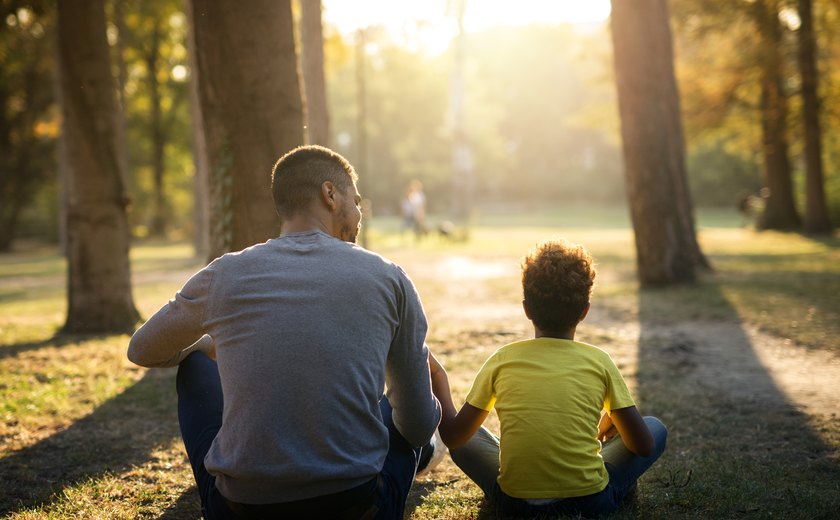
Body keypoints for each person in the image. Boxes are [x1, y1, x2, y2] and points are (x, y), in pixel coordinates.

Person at [128, 145, 442, 519]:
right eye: (356, 201)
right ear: (330, 194)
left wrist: (211, 343)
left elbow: (142, 350)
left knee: (195, 366)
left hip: (241, 509)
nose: (359, 215)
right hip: (358, 506)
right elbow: (419, 426)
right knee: (401, 407)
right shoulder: (389, 277)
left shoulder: (224, 274)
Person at [428, 239, 667, 518]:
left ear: (526, 309)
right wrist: (614, 417)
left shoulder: (502, 359)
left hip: (515, 506)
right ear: (585, 311)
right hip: (589, 503)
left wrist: (438, 376)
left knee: (470, 436)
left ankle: (528, 470)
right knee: (653, 427)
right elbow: (643, 445)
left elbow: (454, 438)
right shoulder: (599, 361)